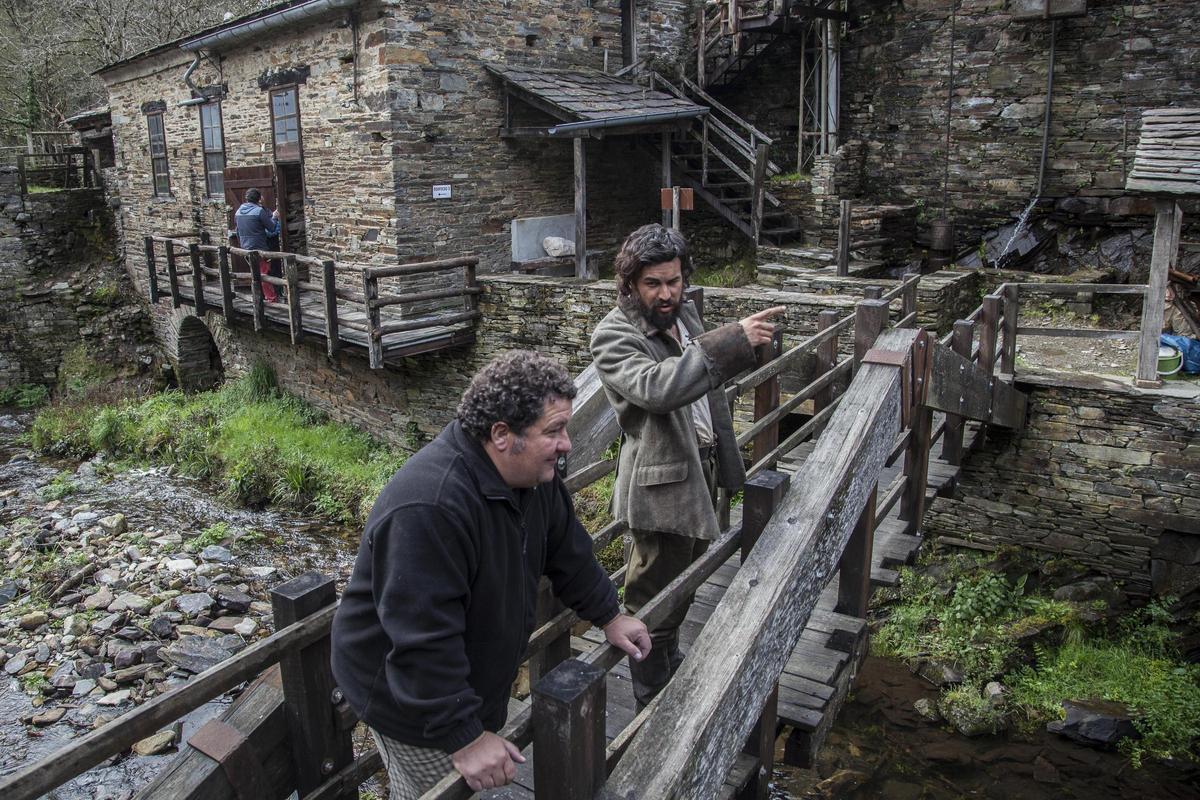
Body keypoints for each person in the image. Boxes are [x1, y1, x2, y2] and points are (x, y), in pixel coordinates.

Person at [331, 351, 650, 799]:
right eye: (553, 431)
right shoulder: (430, 507)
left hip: (457, 678)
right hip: (407, 698)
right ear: (502, 434)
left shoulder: (531, 479)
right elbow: (423, 638)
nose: (567, 445)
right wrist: (464, 735)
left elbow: (567, 549)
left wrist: (609, 616)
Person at [590, 223, 784, 709]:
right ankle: (651, 698)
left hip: (705, 471)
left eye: (673, 281)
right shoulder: (613, 335)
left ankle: (669, 663)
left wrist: (752, 342)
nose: (666, 293)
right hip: (662, 487)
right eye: (653, 283)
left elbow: (707, 379)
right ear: (630, 282)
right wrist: (730, 340)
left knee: (688, 581)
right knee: (650, 599)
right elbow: (659, 388)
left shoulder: (686, 315)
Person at [234, 187, 282, 303]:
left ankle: (259, 297)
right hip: (259, 247)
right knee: (263, 274)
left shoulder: (238, 212)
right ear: (258, 198)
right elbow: (271, 227)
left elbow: (238, 231)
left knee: (255, 273)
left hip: (245, 247)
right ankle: (271, 298)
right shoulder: (259, 211)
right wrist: (275, 217)